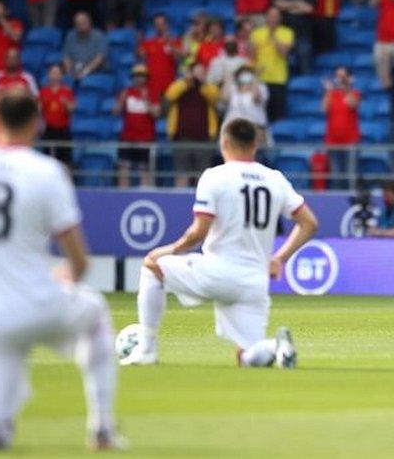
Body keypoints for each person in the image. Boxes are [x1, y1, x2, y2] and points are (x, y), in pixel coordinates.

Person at [0, 91, 123, 451]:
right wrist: (60, 273)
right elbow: (79, 262)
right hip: (39, 301)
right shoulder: (47, 172)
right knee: (95, 313)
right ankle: (102, 428)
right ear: (37, 124)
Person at [120, 117, 319, 368]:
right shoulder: (275, 179)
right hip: (255, 281)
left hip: (218, 272)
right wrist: (280, 258)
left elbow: (198, 232)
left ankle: (146, 349)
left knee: (152, 266)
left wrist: (170, 250)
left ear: (224, 142)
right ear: (255, 145)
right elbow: (310, 223)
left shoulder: (215, 176)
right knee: (247, 356)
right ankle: (275, 347)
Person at [165, 63, 221, 187]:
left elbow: (215, 97)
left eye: (201, 72)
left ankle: (200, 205)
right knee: (181, 174)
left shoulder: (208, 87)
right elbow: (170, 95)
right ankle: (178, 204)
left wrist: (202, 84)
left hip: (204, 139)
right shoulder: (181, 85)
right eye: (196, 71)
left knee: (202, 177)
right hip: (181, 138)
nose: (198, 74)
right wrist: (186, 82)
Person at [114, 64, 161, 188]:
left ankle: (144, 192)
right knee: (123, 169)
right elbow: (115, 111)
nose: (139, 79)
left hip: (145, 139)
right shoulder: (126, 92)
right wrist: (120, 101)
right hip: (127, 137)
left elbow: (156, 114)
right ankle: (122, 195)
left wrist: (146, 101)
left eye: (142, 76)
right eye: (136, 76)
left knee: (144, 170)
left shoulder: (152, 93)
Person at [273, 0, 317, 75]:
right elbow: (277, 3)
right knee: (280, 61)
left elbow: (309, 8)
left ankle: (306, 85)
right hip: (284, 31)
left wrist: (287, 5)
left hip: (302, 33)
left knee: (304, 58)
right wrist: (297, 3)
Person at [251, 6, 294, 122]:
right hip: (260, 79)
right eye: (270, 16)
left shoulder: (287, 33)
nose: (272, 19)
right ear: (265, 18)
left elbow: (284, 53)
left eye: (275, 16)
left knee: (277, 116)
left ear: (280, 18)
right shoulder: (256, 33)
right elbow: (252, 56)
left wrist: (273, 36)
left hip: (278, 79)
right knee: (260, 116)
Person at [322, 66, 362, 189]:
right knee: (336, 174)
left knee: (350, 175)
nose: (339, 80)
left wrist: (346, 88)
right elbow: (324, 108)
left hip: (350, 141)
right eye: (338, 77)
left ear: (349, 78)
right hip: (332, 141)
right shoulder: (331, 94)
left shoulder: (355, 93)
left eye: (343, 77)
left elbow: (353, 104)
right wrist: (328, 91)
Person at [138, 13, 183, 103]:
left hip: (169, 84)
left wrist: (170, 43)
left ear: (167, 25)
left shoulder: (176, 41)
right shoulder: (148, 42)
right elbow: (140, 55)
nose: (160, 27)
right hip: (152, 85)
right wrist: (138, 41)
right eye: (157, 25)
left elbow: (180, 57)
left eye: (162, 24)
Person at [222, 65, 271, 146]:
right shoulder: (233, 88)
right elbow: (224, 99)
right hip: (233, 129)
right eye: (243, 74)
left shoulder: (261, 87)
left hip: (255, 128)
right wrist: (227, 79)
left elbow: (256, 97)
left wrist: (256, 79)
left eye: (248, 74)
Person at [38, 63, 75, 166]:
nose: (55, 75)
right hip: (49, 130)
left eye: (57, 73)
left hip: (63, 130)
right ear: (49, 75)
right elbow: (38, 110)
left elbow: (72, 110)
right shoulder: (43, 92)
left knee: (65, 161)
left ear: (62, 76)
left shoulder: (67, 91)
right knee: (47, 161)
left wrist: (66, 104)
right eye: (53, 73)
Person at [62, 11, 107, 83]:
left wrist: (85, 72)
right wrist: (69, 72)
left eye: (83, 23)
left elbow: (99, 58)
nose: (81, 26)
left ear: (89, 22)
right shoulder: (70, 36)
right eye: (78, 24)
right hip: (74, 70)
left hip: (94, 72)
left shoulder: (98, 36)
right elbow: (66, 57)